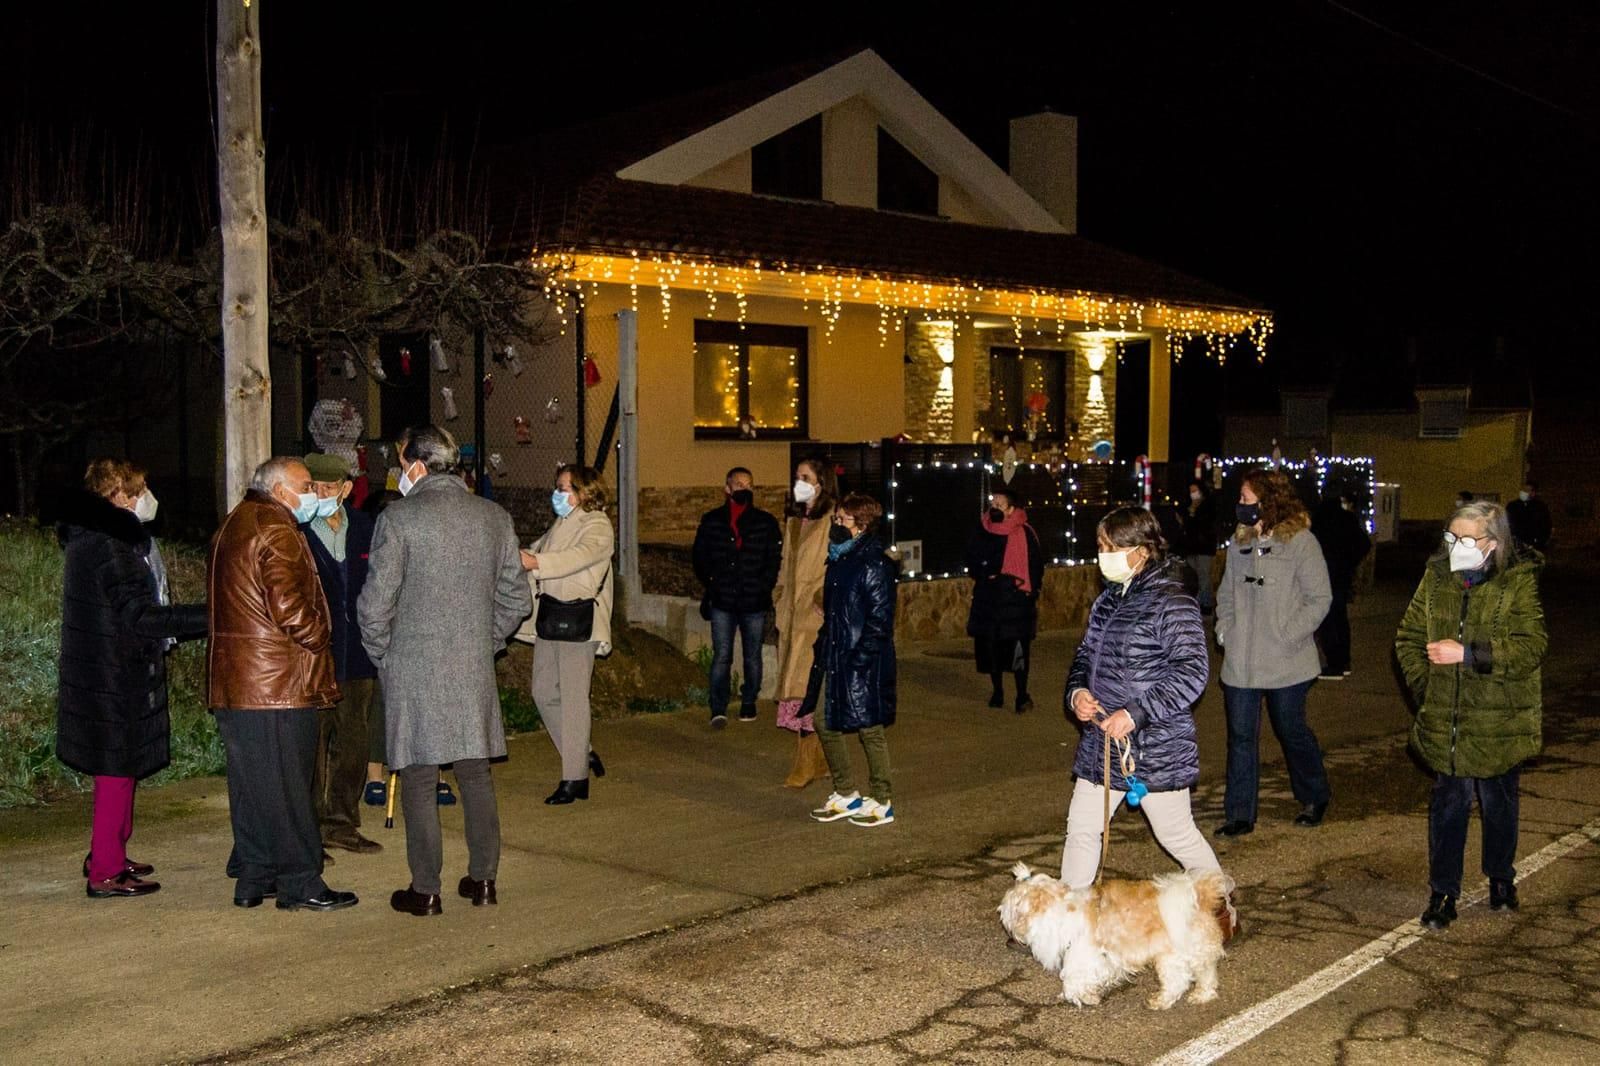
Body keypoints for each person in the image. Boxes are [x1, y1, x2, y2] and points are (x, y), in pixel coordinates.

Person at [358, 425, 532, 916]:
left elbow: (374, 606)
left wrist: (385, 655)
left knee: (417, 777)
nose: (398, 472)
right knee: (475, 774)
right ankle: (482, 881)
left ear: (416, 465)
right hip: (472, 666)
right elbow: (516, 599)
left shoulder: (400, 518)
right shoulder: (493, 516)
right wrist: (486, 641)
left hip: (413, 667)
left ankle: (426, 888)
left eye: (399, 462)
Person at [208, 457, 357, 912]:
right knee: (291, 786)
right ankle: (300, 881)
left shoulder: (235, 522)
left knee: (253, 788)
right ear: (279, 490)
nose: (313, 492)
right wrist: (320, 634)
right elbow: (288, 604)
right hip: (275, 682)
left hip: (238, 683)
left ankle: (255, 877)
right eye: (306, 485)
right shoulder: (276, 528)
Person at [57, 459, 207, 899]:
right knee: (115, 774)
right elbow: (141, 617)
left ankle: (110, 852)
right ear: (116, 497)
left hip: (104, 672)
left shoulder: (95, 540)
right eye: (139, 491)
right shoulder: (110, 546)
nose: (146, 499)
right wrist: (211, 614)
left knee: (120, 772)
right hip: (113, 677)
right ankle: (105, 870)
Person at [1395, 501, 1545, 930]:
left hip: (1499, 718)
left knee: (1498, 803)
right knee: (1449, 805)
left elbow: (1531, 645)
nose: (1456, 546)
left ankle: (1501, 878)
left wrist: (1470, 655)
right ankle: (1443, 892)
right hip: (1449, 719)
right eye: (1451, 537)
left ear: (1492, 543)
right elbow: (1407, 637)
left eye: (1466, 539)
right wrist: (1429, 691)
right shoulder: (1436, 578)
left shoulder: (1517, 582)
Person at [1061, 507, 1221, 887]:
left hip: (1154, 746)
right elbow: (1086, 655)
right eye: (1101, 546)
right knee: (1082, 830)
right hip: (1102, 742)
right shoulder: (1110, 600)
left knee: (1175, 834)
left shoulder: (1173, 601)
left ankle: (1219, 906)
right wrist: (1077, 692)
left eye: (1111, 547)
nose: (1103, 555)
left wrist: (1135, 713)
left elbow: (1191, 672)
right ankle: (1069, 921)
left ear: (1143, 549)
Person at [1214, 467, 1334, 837]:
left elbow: (1319, 599)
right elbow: (1226, 595)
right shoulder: (1239, 543)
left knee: (1291, 729)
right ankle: (1239, 814)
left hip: (1287, 659)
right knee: (1241, 736)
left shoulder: (1300, 542)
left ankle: (1314, 795)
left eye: (1246, 498)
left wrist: (1288, 634)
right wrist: (1225, 631)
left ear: (1268, 500)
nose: (1240, 505)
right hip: (1242, 661)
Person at [300, 453, 384, 856]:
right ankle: (310, 830)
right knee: (314, 744)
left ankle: (342, 822)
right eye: (313, 488)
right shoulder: (297, 531)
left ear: (346, 489)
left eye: (328, 488)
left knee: (354, 741)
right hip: (314, 656)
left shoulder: (367, 528)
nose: (319, 495)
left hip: (359, 654)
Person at [519, 464, 615, 805]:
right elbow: (536, 551)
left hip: (579, 620)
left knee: (574, 700)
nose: (558, 495)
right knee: (543, 691)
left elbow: (578, 557)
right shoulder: (562, 522)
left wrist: (536, 563)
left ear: (585, 492)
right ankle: (583, 751)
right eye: (558, 487)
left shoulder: (597, 525)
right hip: (551, 616)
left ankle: (575, 779)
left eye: (565, 488)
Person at [802, 493, 899, 828]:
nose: (836, 525)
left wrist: (860, 659)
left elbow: (880, 620)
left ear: (862, 524)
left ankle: (882, 799)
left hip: (862, 660)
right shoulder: (841, 558)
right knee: (823, 721)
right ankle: (846, 792)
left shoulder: (874, 564)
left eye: (842, 520)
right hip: (836, 654)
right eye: (836, 519)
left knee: (869, 728)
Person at [692, 466, 782, 727]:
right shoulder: (712, 521)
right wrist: (712, 581)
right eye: (739, 484)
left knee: (752, 655)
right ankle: (718, 707)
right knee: (722, 655)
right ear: (727, 488)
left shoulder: (765, 522)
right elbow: (700, 556)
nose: (744, 489)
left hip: (754, 601)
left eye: (749, 485)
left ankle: (748, 701)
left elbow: (773, 559)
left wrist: (763, 585)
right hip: (723, 601)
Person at [772, 457, 837, 788]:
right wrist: (780, 594)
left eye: (805, 477)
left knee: (807, 691)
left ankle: (806, 763)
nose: (798, 481)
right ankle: (823, 761)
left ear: (821, 482)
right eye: (797, 476)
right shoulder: (795, 521)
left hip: (814, 617)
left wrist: (822, 599)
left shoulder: (832, 521)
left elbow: (838, 564)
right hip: (791, 615)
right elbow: (786, 564)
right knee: (796, 688)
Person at [964, 485, 1044, 713]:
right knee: (991, 649)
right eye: (993, 503)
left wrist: (1031, 591)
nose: (995, 508)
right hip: (989, 599)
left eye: (1000, 504)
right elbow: (972, 558)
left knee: (1018, 650)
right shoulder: (983, 529)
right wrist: (985, 570)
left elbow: (1036, 565)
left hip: (1016, 601)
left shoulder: (1025, 533)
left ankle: (1022, 695)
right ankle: (997, 692)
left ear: (1011, 509)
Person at [1311, 489, 1372, 680]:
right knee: (1340, 619)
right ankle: (1343, 661)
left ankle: (1335, 664)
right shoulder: (1347, 519)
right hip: (1341, 576)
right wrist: (1349, 562)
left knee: (1328, 621)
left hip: (1324, 575)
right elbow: (1363, 543)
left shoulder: (1319, 520)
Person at [1180, 479, 1219, 613]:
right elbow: (1188, 526)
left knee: (1204, 575)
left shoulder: (1208, 506)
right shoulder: (1189, 506)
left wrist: (1195, 514)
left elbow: (1206, 526)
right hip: (1192, 547)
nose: (1193, 494)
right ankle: (1199, 600)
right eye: (1191, 491)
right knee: (1195, 574)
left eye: (1195, 491)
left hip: (1204, 547)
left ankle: (1206, 603)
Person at [1505, 480, 1552, 554]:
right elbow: (1508, 522)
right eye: (1523, 490)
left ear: (1533, 493)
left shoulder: (1540, 507)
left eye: (1527, 490)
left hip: (1534, 542)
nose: (1524, 492)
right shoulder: (1512, 506)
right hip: (1516, 542)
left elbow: (1546, 524)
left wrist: (1541, 540)